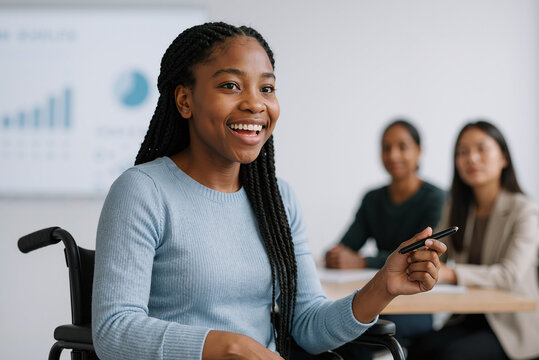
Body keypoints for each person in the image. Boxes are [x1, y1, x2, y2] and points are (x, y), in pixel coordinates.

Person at [91, 22, 446, 360]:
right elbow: (113, 332)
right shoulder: (142, 191)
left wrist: (383, 284)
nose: (255, 103)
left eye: (267, 88)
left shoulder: (278, 199)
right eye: (230, 85)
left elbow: (308, 325)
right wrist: (229, 348)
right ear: (185, 100)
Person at [407, 120, 539, 360]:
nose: (472, 159)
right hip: (468, 317)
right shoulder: (456, 208)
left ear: (504, 158)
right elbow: (437, 255)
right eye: (462, 152)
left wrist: (451, 274)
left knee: (454, 355)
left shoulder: (526, 210)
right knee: (419, 348)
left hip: (512, 327)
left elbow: (509, 276)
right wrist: (423, 257)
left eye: (481, 149)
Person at [324, 119, 445, 349]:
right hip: (380, 293)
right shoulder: (373, 199)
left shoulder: (436, 198)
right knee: (344, 323)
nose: (393, 155)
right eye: (386, 148)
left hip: (418, 302)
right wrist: (336, 255)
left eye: (402, 146)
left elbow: (419, 256)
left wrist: (361, 262)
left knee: (356, 330)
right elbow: (348, 244)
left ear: (419, 151)